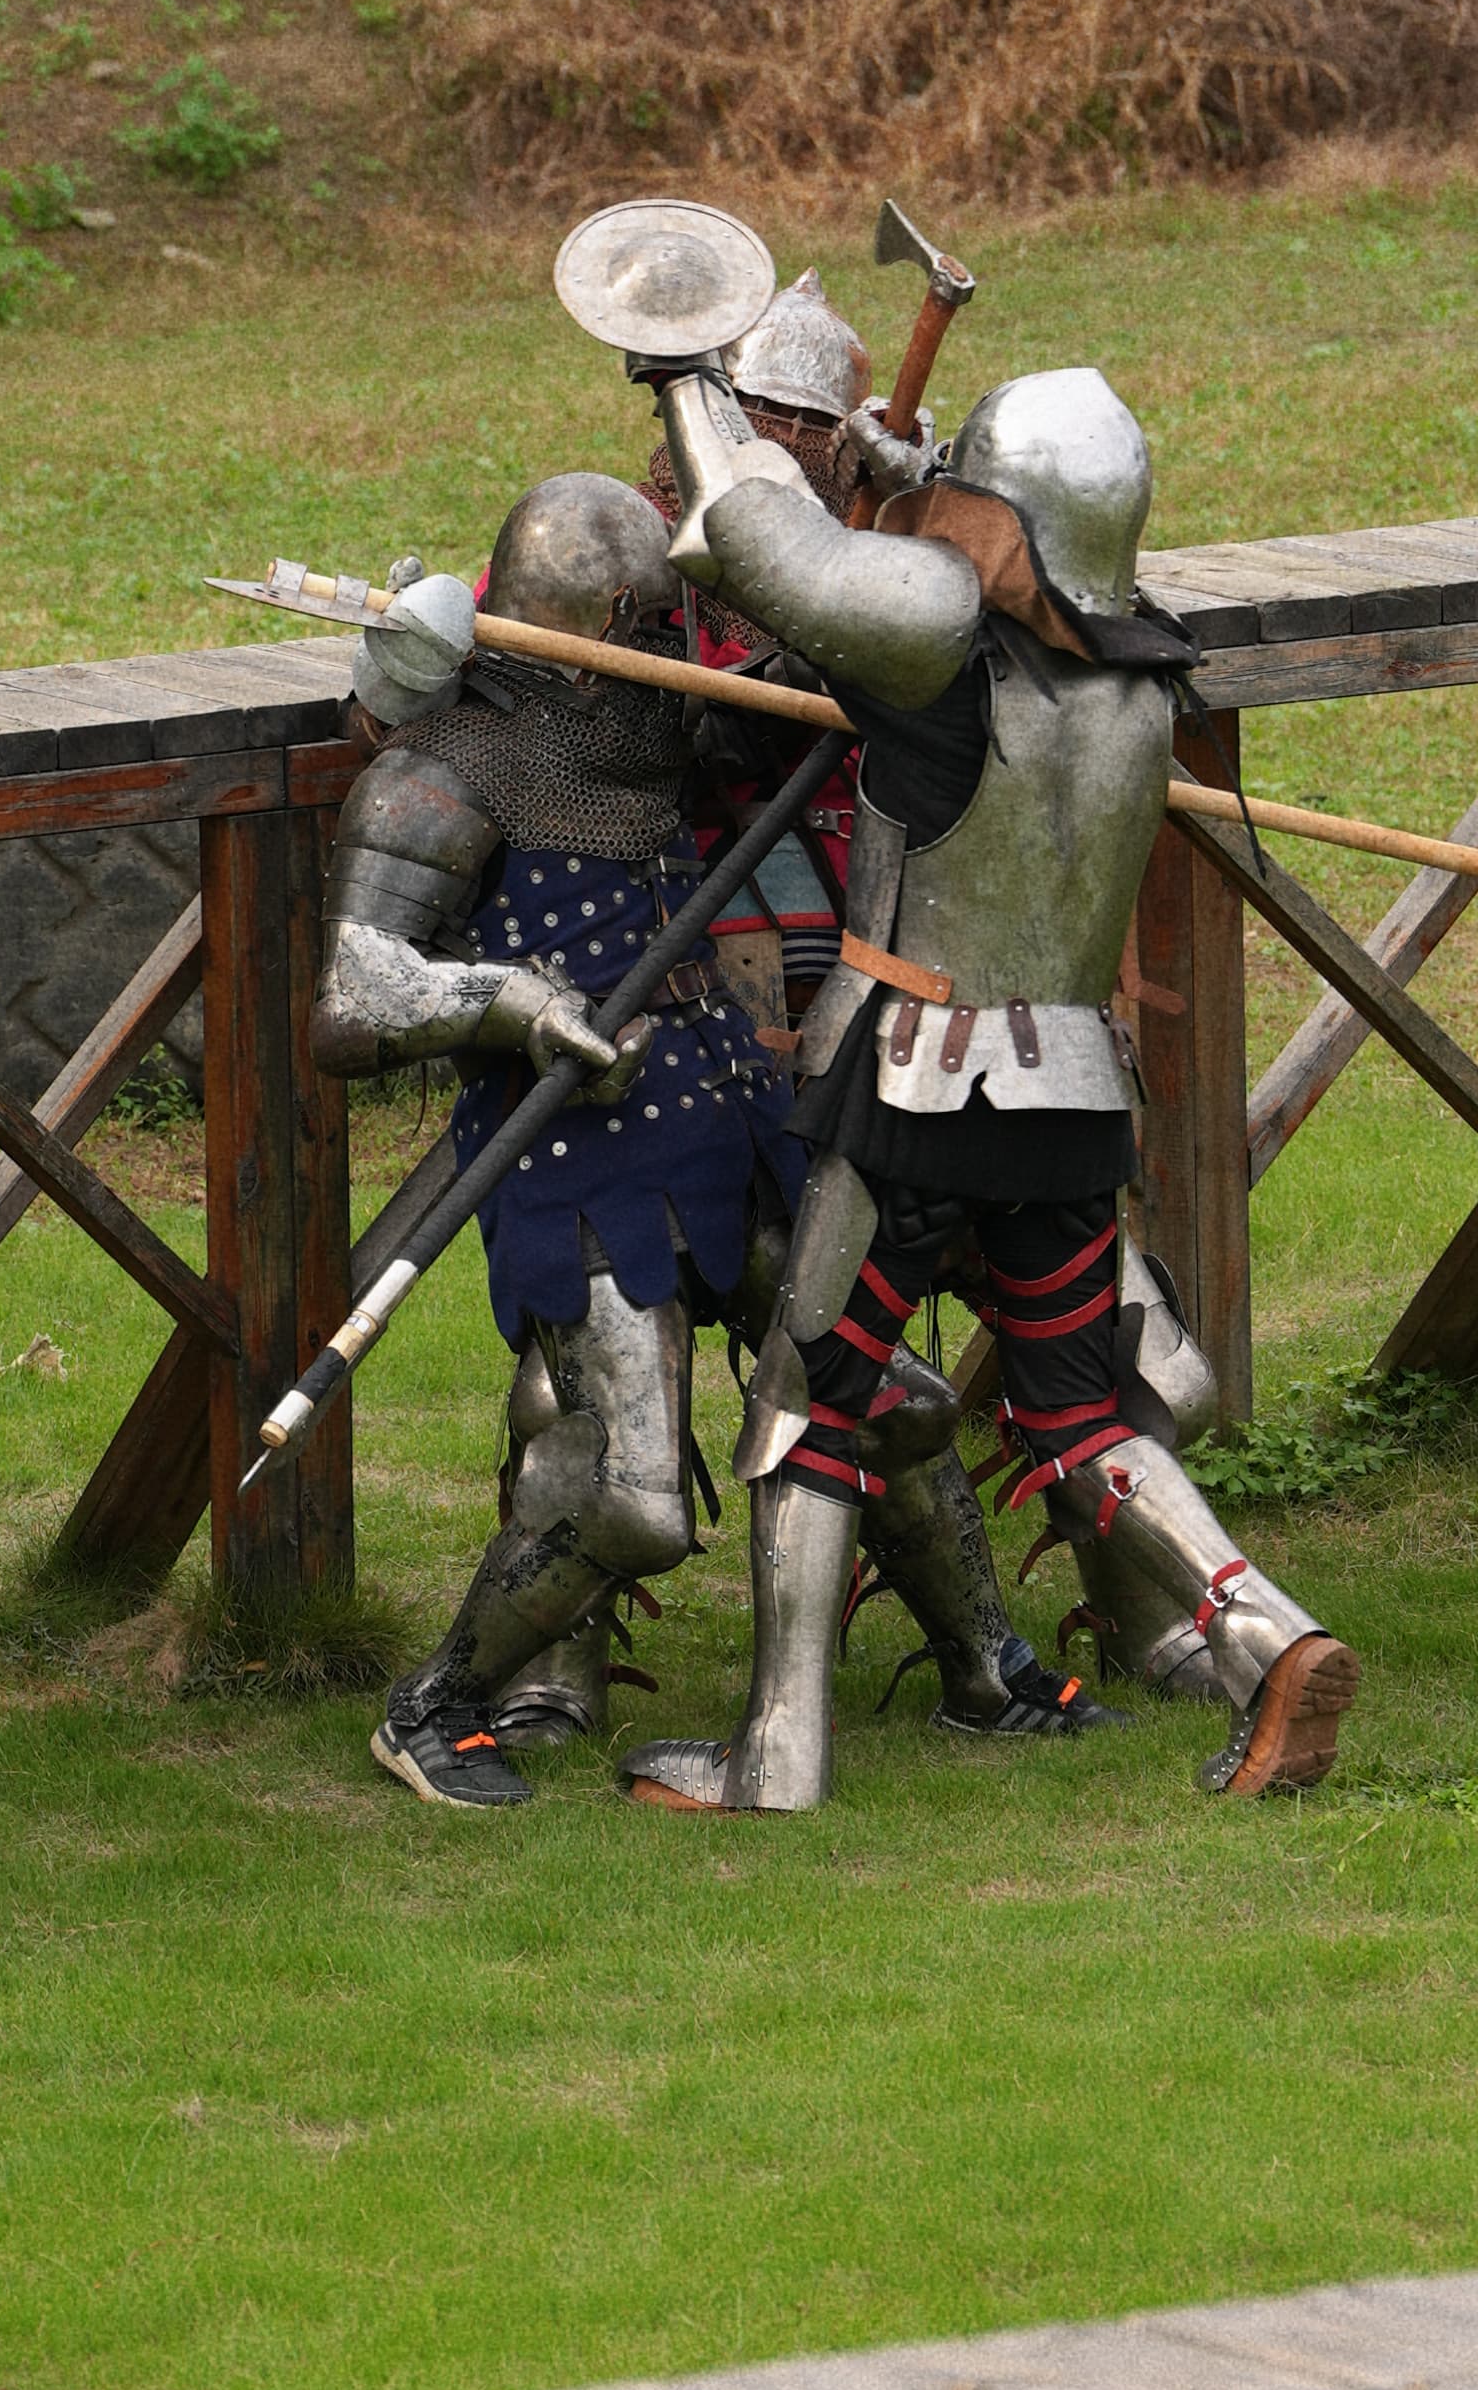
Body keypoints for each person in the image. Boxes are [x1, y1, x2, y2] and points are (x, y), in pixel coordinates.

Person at [619, 355, 1358, 1812]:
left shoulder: (946, 663)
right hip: (1071, 1094)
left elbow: (763, 550)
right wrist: (912, 478)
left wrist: (686, 374)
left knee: (807, 1406)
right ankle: (1272, 1639)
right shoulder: (1142, 673)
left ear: (1005, 521)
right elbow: (983, 574)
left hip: (917, 1084)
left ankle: (777, 1757)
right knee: (1082, 1415)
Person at [318, 475, 806, 1806]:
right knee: (638, 1501)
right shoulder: (448, 772)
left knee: (887, 1397)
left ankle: (986, 1665)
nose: (675, 658)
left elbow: (797, 697)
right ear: (595, 638)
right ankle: (433, 1704)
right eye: (653, 632)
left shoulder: (655, 737)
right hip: (577, 1159)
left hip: (725, 1117)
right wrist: (516, 1004)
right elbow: (352, 998)